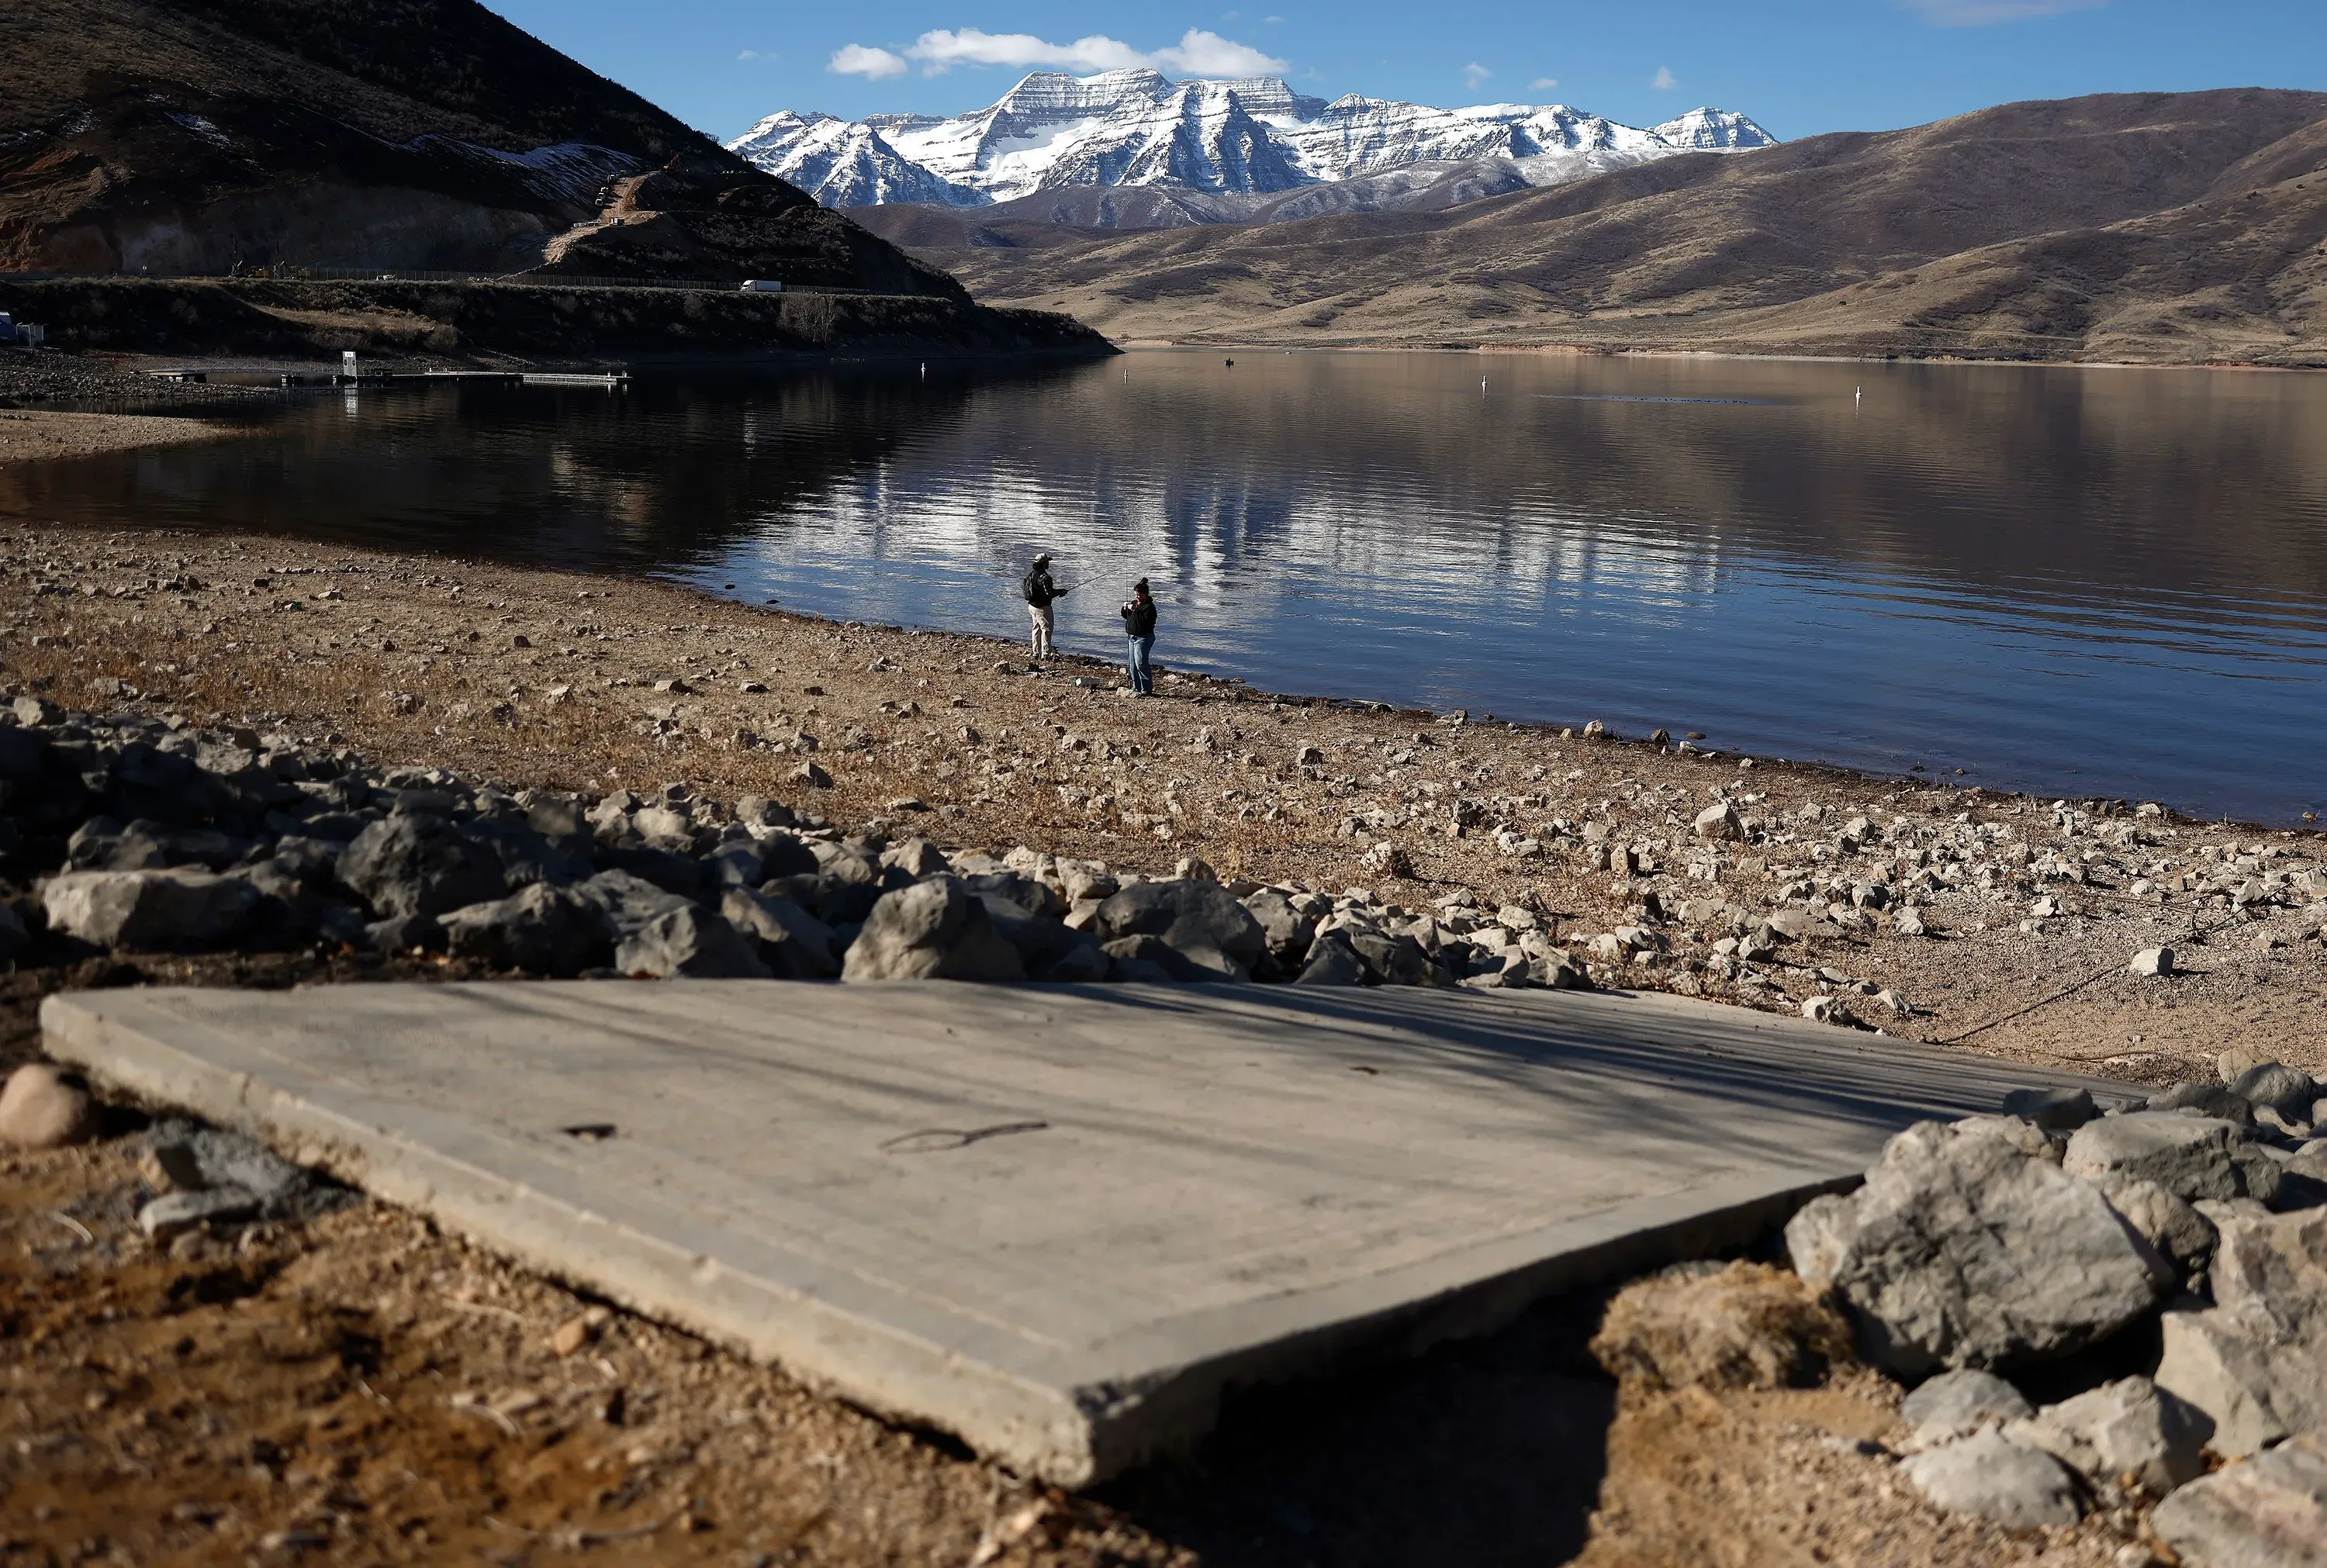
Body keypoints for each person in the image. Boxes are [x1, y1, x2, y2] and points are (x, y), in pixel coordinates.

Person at [1021, 554, 1067, 659]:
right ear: (1043, 564)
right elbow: (1049, 593)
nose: (1048, 563)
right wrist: (1061, 591)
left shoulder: (1032, 574)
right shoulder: (1045, 577)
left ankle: (1036, 653)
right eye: (1047, 562)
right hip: (1043, 608)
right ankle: (1045, 654)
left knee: (1036, 629)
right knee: (1047, 629)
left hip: (1032, 606)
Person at [1120, 578, 1157, 696]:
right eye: (1136, 594)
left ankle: (1146, 689)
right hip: (1132, 637)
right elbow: (1127, 617)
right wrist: (1125, 608)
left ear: (1145, 594)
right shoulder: (1135, 603)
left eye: (1139, 595)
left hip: (1143, 638)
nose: (1137, 597)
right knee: (1132, 664)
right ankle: (1136, 687)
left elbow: (1143, 622)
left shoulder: (1149, 607)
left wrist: (1135, 610)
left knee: (1141, 663)